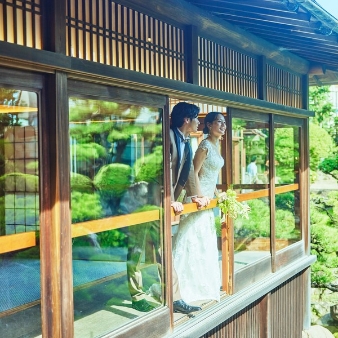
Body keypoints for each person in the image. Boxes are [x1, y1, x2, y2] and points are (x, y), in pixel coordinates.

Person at [173, 112, 226, 304]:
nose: (223, 126)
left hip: (209, 199)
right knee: (190, 239)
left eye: (224, 123)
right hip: (198, 199)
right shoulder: (204, 145)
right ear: (209, 124)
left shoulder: (217, 145)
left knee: (203, 242)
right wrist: (200, 196)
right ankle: (180, 289)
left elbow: (211, 175)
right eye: (219, 122)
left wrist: (217, 194)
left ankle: (201, 283)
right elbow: (192, 172)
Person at [170, 102, 210, 314]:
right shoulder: (166, 137)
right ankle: (141, 295)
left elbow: (187, 173)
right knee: (140, 251)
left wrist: (196, 196)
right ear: (187, 119)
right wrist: (168, 199)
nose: (198, 123)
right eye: (196, 119)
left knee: (160, 251)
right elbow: (160, 171)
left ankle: (174, 299)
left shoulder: (187, 141)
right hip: (153, 202)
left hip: (170, 202)